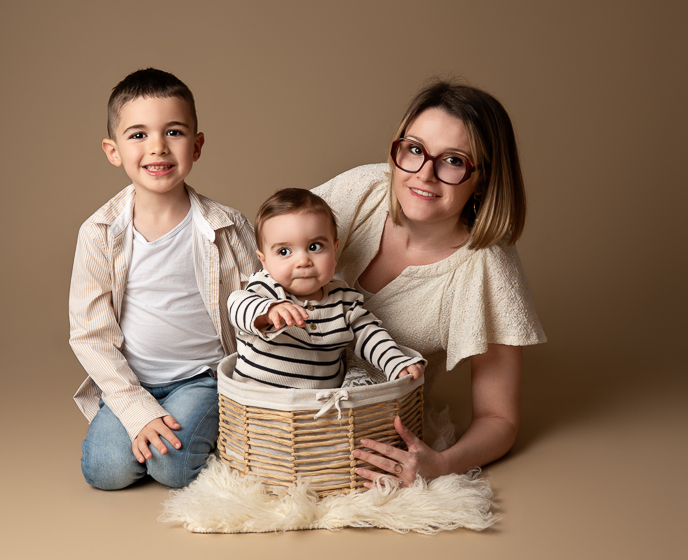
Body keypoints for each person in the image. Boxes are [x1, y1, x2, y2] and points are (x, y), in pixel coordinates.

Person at [310, 79, 547, 488]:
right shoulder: (363, 188)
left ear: (484, 178)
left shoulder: (486, 269)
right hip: (277, 398)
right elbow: (267, 257)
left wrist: (441, 463)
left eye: (453, 160)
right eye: (415, 149)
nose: (424, 174)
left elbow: (499, 418)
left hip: (364, 428)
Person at [68, 68, 260, 490]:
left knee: (171, 469)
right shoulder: (99, 233)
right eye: (138, 135)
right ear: (112, 150)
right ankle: (150, 423)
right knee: (106, 471)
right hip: (131, 379)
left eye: (173, 132)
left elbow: (259, 301)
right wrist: (136, 408)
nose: (157, 147)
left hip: (201, 377)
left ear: (197, 144)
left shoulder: (227, 226)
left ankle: (210, 426)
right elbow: (89, 334)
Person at [228, 188, 425, 389]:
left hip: (322, 409)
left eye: (315, 247)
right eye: (284, 251)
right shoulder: (266, 289)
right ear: (264, 260)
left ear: (334, 249)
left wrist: (395, 362)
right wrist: (268, 311)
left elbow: (369, 334)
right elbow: (237, 305)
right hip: (261, 406)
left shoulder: (344, 299)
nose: (303, 261)